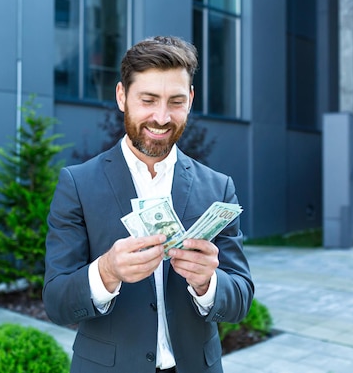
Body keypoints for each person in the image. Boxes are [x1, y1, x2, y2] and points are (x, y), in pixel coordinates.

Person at [43, 36, 254, 373]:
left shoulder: (218, 187)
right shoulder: (77, 185)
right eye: (148, 99)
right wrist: (107, 271)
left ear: (191, 100)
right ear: (121, 96)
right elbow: (56, 302)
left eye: (175, 101)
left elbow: (241, 299)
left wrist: (208, 283)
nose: (161, 117)